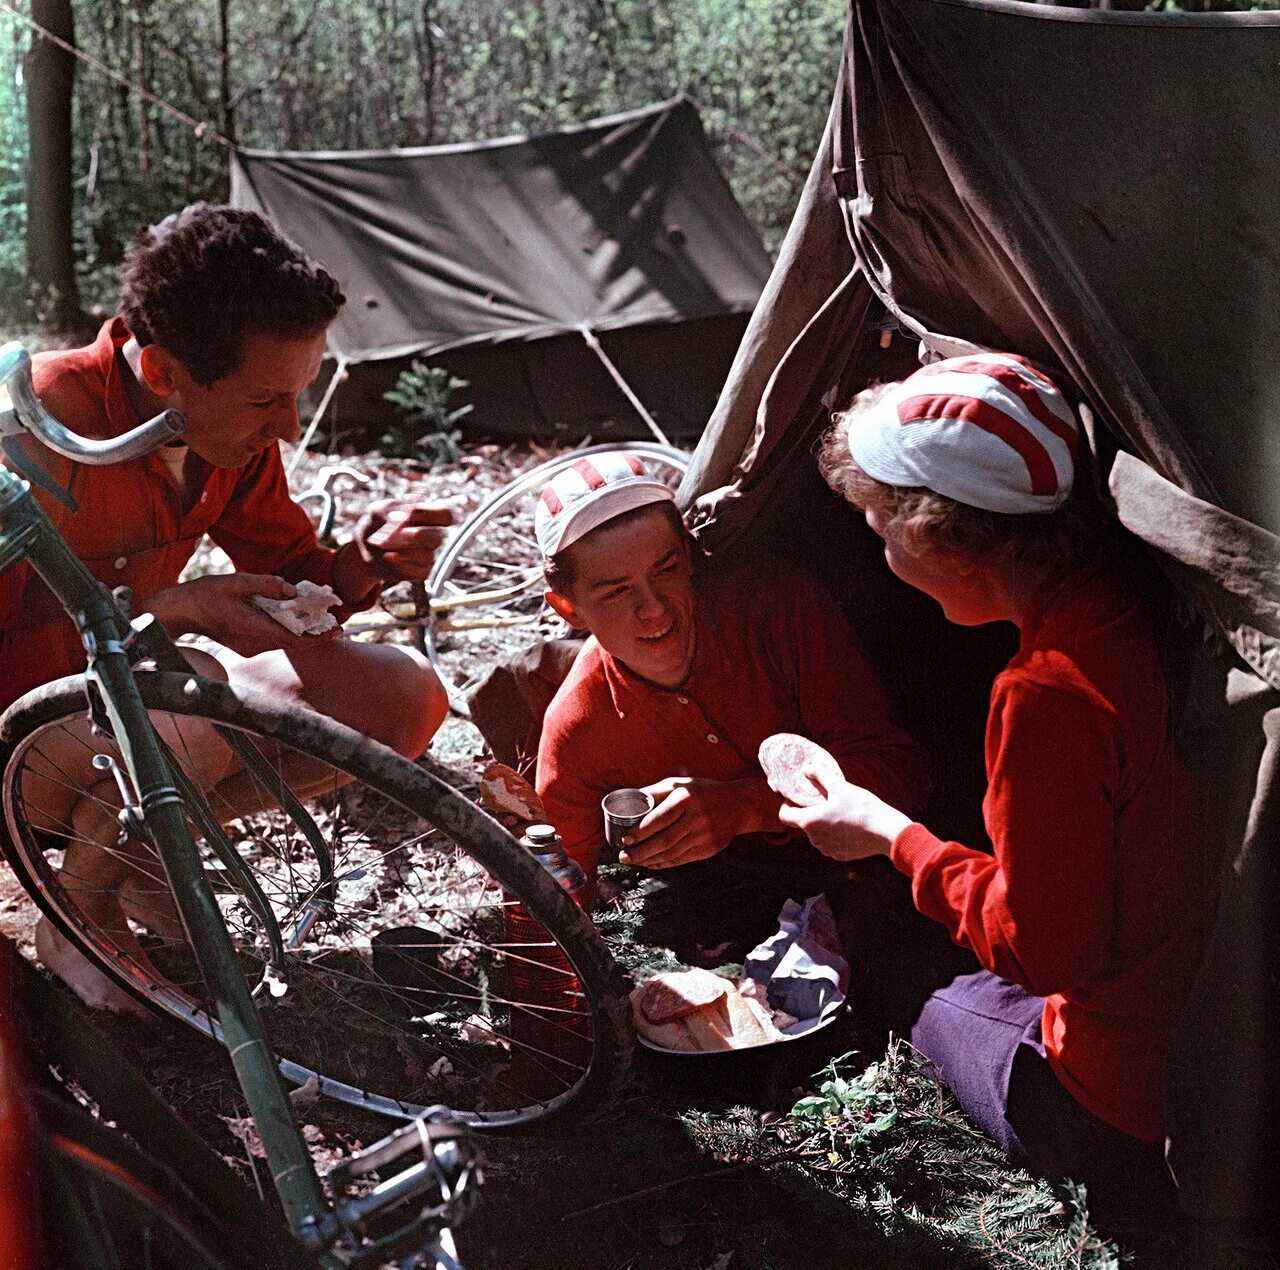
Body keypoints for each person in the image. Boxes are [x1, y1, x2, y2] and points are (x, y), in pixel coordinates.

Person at [784, 351, 1210, 1229]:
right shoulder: (1131, 596)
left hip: (1124, 1101)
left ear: (944, 540)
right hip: (1214, 1015)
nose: (875, 542)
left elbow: (1050, 955)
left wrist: (891, 836)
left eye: (879, 524)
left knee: (904, 970)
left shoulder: (1045, 692)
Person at [0, 203, 451, 1010]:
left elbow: (291, 570)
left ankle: (138, 864)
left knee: (399, 695)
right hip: (13, 749)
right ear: (164, 373)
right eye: (263, 401)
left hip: (118, 716)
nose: (288, 427)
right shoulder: (31, 424)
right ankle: (79, 918)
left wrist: (358, 566)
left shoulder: (221, 439)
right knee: (194, 690)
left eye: (299, 396)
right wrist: (166, 612)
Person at [532, 451, 928, 929]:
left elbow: (902, 777)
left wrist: (743, 807)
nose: (654, 609)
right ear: (567, 608)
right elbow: (552, 887)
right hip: (724, 911)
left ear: (688, 553)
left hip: (870, 875)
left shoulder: (780, 614)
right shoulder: (578, 722)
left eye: (666, 569)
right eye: (616, 592)